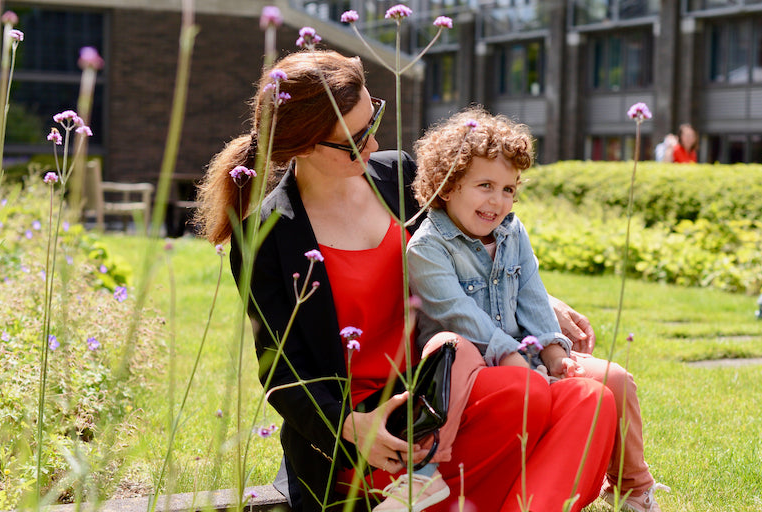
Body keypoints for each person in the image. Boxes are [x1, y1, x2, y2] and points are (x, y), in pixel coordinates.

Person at [194, 49, 619, 512]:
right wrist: (350, 426)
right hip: (379, 423)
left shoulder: (401, 175)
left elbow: (468, 254)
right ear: (304, 145)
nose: (374, 144)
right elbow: (281, 369)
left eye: (373, 120)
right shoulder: (266, 234)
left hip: (458, 377)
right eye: (356, 139)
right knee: (525, 393)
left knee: (593, 396)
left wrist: (539, 300)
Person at [407, 107, 670, 512]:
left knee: (614, 378)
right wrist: (519, 361)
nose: (497, 201)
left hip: (525, 357)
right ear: (448, 184)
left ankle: (632, 486)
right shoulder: (426, 248)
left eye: (508, 189)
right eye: (485, 185)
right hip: (470, 371)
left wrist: (555, 354)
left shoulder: (513, 232)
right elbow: (461, 316)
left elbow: (532, 296)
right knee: (545, 387)